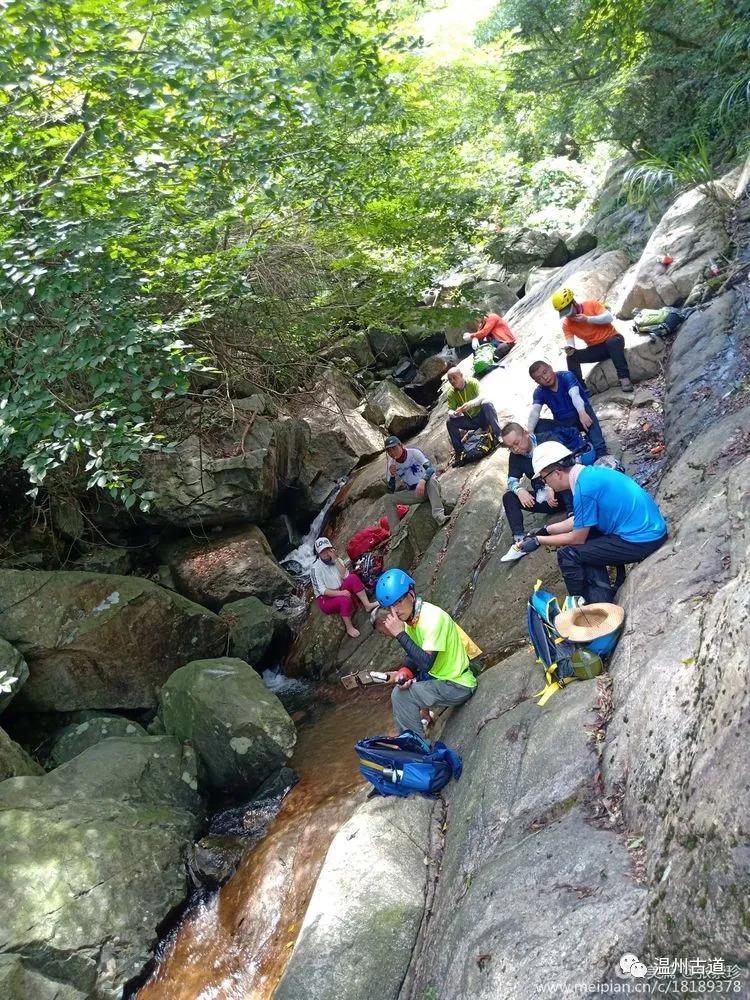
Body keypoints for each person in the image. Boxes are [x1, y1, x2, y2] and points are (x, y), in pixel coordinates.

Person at [513, 441, 668, 603]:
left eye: (545, 478)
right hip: (652, 530)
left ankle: (587, 608)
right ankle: (602, 597)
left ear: (557, 473)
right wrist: (545, 529)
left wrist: (539, 541)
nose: (546, 484)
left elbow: (577, 538)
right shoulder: (587, 475)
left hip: (643, 540)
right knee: (587, 540)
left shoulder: (584, 489)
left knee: (569, 555)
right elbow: (579, 521)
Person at [373, 569, 476, 735]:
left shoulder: (431, 618)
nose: (396, 610)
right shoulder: (412, 620)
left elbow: (426, 663)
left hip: (458, 684)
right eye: (391, 606)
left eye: (399, 601)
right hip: (444, 681)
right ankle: (414, 738)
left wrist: (400, 634)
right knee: (402, 690)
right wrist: (404, 673)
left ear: (411, 595)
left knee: (401, 697)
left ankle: (416, 746)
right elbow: (413, 658)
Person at [498, 421, 594, 562]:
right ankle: (520, 540)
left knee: (565, 479)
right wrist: (519, 490)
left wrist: (551, 487)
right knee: (509, 497)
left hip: (568, 490)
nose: (515, 449)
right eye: (510, 447)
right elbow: (512, 480)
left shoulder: (548, 439)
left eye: (517, 443)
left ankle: (572, 515)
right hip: (548, 499)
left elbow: (567, 467)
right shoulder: (515, 457)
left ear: (526, 433)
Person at [552, 287, 633, 393]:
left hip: (613, 340)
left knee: (612, 342)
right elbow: (570, 343)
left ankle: (624, 378)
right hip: (597, 349)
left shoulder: (591, 304)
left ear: (573, 302)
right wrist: (570, 349)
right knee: (571, 357)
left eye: (568, 310)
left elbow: (609, 318)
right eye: (564, 312)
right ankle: (582, 389)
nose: (568, 315)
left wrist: (587, 319)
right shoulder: (567, 324)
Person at [528, 360, 608, 458]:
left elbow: (575, 395)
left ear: (550, 367)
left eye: (545, 372)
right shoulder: (539, 392)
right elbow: (535, 412)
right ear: (536, 382)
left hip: (581, 416)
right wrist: (530, 433)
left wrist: (582, 413)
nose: (545, 378)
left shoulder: (566, 376)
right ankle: (570, 447)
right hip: (565, 425)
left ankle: (600, 449)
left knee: (585, 408)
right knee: (538, 425)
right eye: (539, 378)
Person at [310, 537, 378, 638]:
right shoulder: (315, 568)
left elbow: (345, 575)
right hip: (326, 598)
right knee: (344, 600)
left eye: (327, 549)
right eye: (322, 552)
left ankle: (367, 604)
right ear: (319, 554)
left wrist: (335, 559)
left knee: (353, 578)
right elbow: (322, 590)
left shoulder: (337, 559)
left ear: (331, 549)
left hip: (339, 588)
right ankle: (349, 627)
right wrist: (341, 593)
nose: (325, 553)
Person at [383, 435, 448, 534]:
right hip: (415, 493)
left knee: (431, 480)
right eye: (389, 451)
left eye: (394, 448)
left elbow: (430, 469)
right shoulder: (391, 465)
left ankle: (439, 515)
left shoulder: (414, 453)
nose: (392, 452)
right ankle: (396, 533)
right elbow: (390, 490)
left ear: (401, 445)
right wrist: (392, 476)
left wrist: (423, 481)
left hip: (429, 487)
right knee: (387, 498)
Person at [445, 367, 501, 463]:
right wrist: (454, 414)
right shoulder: (451, 393)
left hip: (483, 416)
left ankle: (498, 435)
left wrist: (471, 404)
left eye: (454, 377)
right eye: (450, 379)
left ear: (461, 376)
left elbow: (483, 395)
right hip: (471, 420)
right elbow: (450, 410)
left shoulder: (472, 382)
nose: (452, 381)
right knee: (450, 422)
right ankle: (460, 452)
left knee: (487, 403)